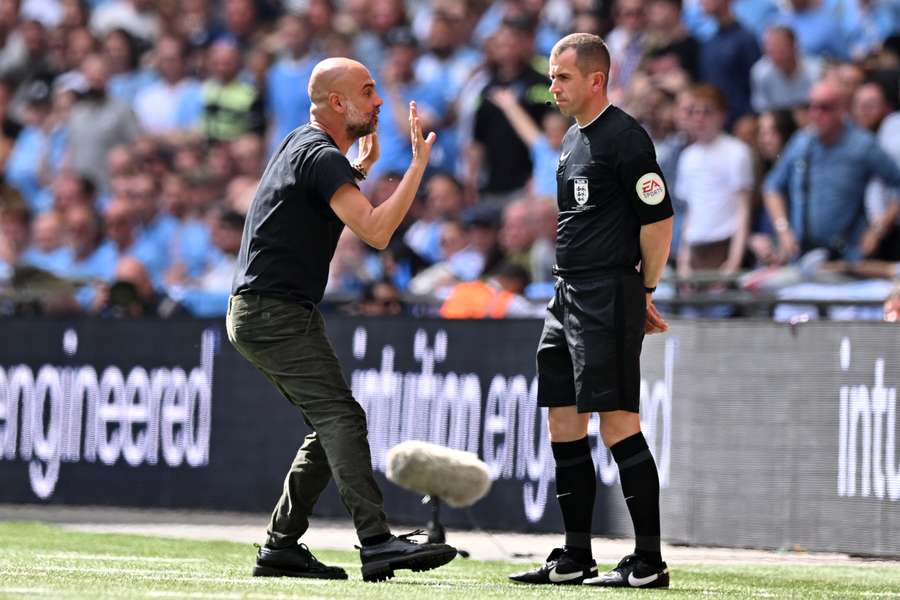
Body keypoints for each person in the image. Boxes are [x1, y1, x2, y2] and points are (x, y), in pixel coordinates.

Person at [226, 57, 457, 583]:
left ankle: (280, 546)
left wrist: (360, 169)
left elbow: (321, 192)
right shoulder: (319, 154)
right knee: (342, 420)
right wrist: (417, 165)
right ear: (337, 103)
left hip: (268, 310)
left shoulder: (302, 144)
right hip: (274, 311)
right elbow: (375, 231)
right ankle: (375, 542)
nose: (378, 102)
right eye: (369, 91)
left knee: (332, 424)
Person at [508, 33, 673, 589]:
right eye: (552, 76)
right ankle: (576, 554)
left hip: (607, 293)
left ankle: (649, 560)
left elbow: (658, 219)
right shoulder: (574, 138)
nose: (553, 86)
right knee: (562, 420)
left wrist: (643, 290)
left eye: (563, 77)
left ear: (595, 79)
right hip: (566, 294)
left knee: (619, 424)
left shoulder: (625, 138)